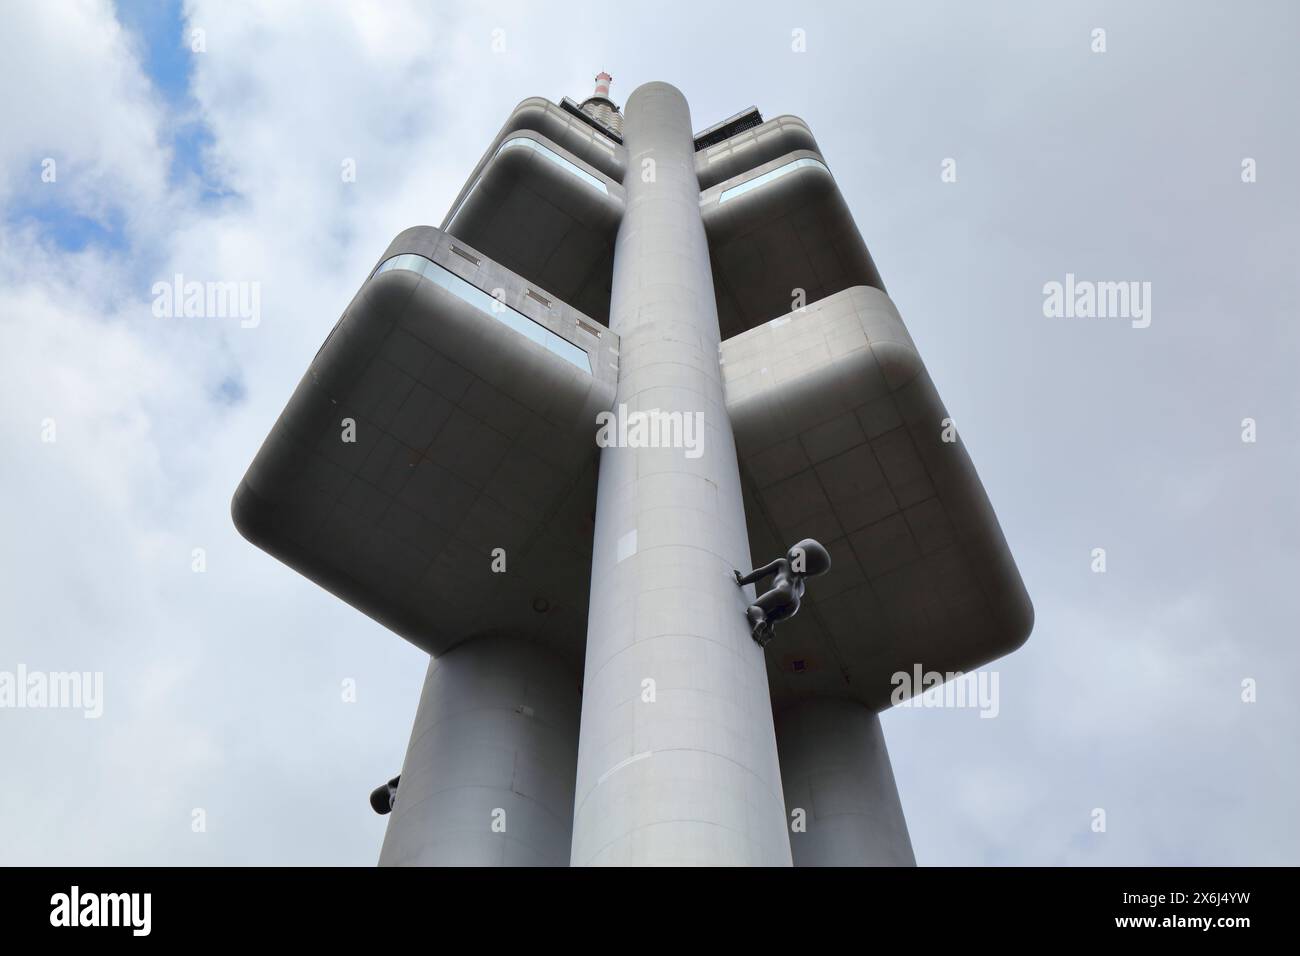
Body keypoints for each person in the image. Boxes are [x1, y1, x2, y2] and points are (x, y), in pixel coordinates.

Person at [733, 538, 831, 647]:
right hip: (795, 604)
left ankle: (758, 621)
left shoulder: (783, 563)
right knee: (770, 618)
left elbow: (760, 573)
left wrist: (743, 580)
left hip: (783, 590)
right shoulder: (801, 586)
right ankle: (767, 633)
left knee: (756, 608)